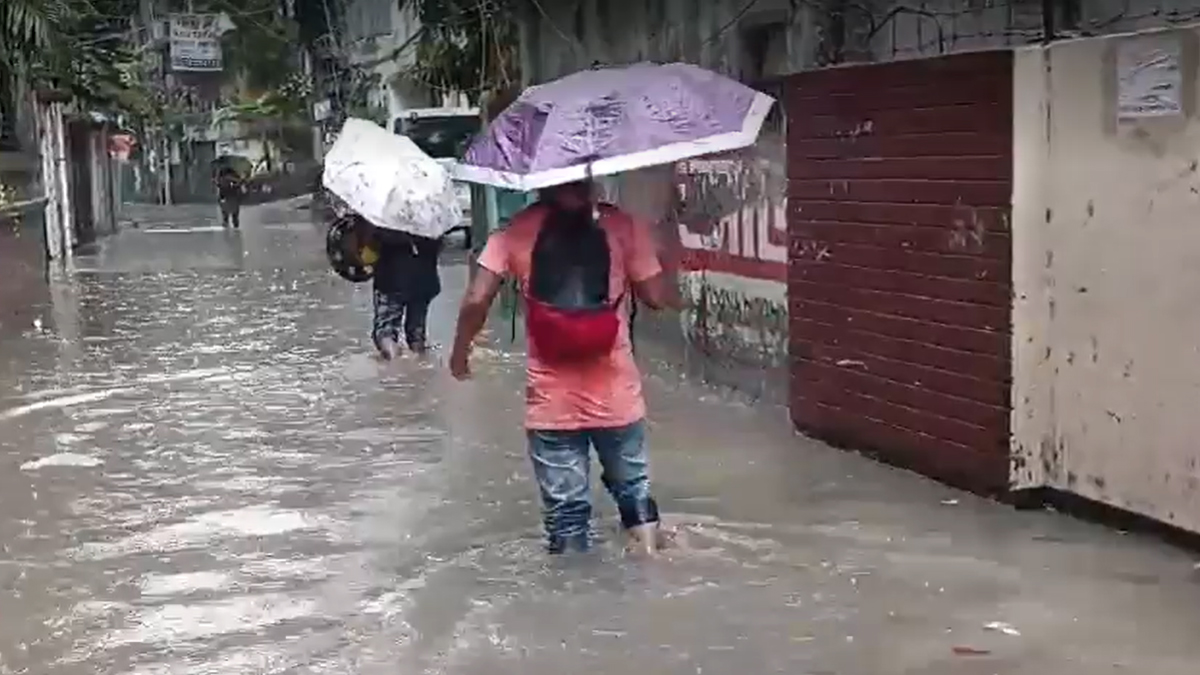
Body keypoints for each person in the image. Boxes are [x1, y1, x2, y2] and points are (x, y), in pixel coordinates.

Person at [449, 180, 682, 555]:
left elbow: (477, 299)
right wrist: (663, 253)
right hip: (618, 398)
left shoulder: (513, 231)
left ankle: (572, 603)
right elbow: (656, 297)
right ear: (590, 176)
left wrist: (459, 354)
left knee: (567, 516)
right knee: (634, 496)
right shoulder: (621, 226)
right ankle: (650, 577)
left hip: (551, 406)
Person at [372, 226, 442, 359]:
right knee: (416, 334)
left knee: (386, 333)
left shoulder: (387, 219)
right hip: (425, 280)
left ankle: (393, 368)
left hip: (391, 280)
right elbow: (438, 247)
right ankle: (419, 366)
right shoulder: (430, 220)